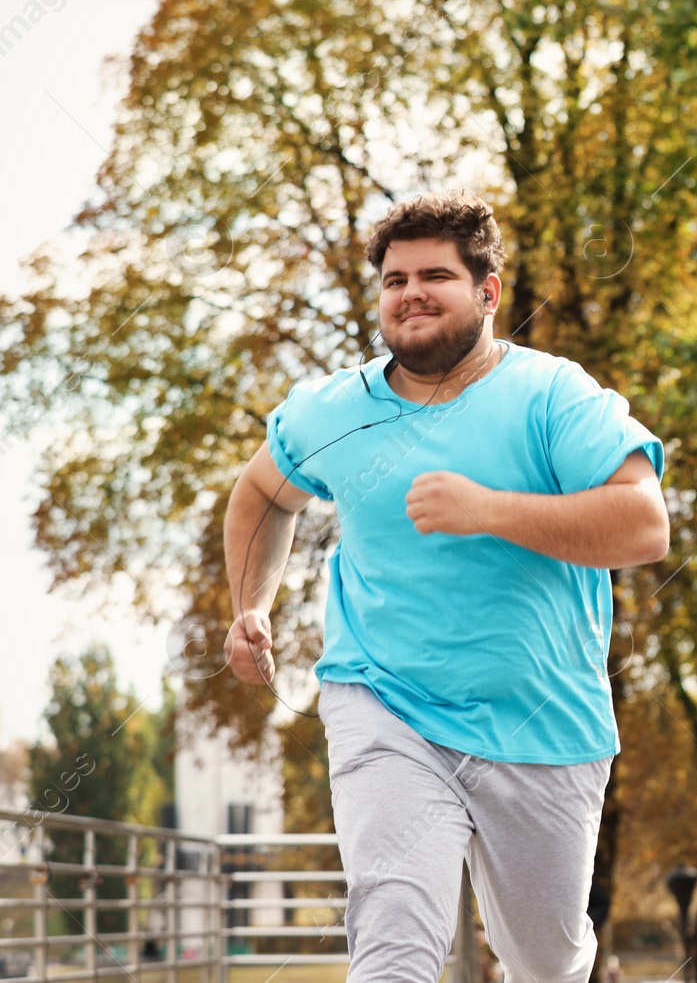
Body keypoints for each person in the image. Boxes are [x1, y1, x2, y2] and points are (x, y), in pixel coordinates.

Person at [220, 189, 670, 983]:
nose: (410, 293)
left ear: (488, 292)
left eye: (436, 275)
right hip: (384, 703)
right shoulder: (334, 409)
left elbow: (643, 524)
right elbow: (261, 493)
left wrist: (490, 510)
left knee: (544, 958)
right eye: (394, 280)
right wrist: (249, 605)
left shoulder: (552, 395)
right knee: (393, 943)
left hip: (541, 722)